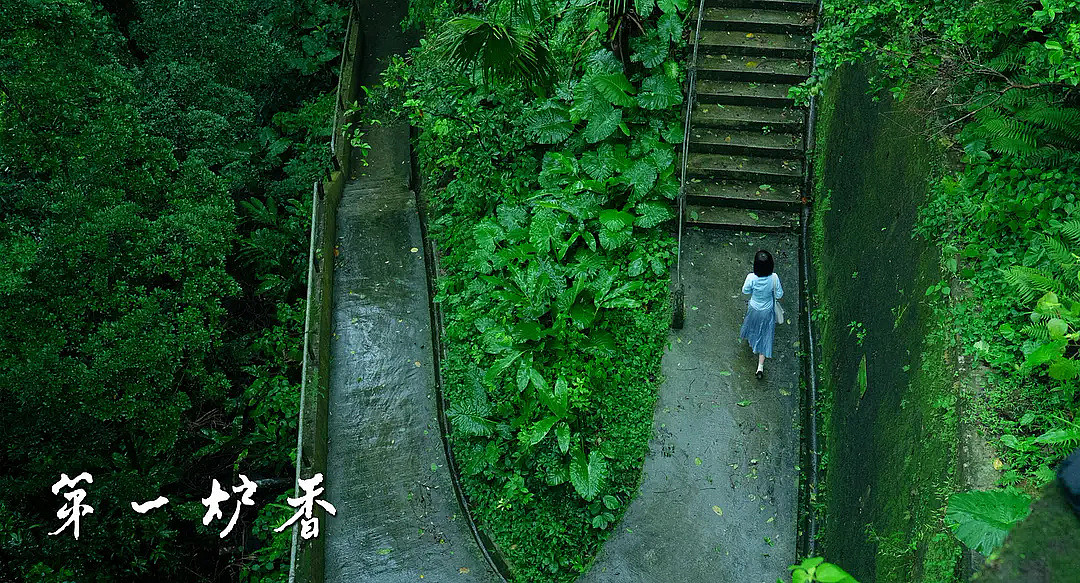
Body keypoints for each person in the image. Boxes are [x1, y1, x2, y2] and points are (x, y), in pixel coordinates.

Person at [740, 249, 783, 379]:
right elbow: (780, 294)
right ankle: (760, 367)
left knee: (752, 326)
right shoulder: (774, 278)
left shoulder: (751, 278)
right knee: (765, 335)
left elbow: (745, 291)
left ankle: (751, 342)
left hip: (754, 307)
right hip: (767, 310)